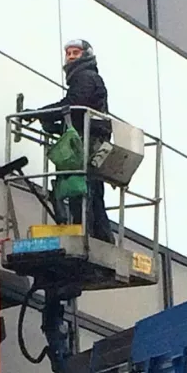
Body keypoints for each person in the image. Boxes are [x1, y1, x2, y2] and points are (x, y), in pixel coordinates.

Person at [36, 39, 115, 244]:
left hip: (89, 142)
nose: (70, 56)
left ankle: (85, 233)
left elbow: (73, 105)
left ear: (86, 55)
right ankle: (101, 237)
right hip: (90, 140)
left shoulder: (86, 77)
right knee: (91, 190)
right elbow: (74, 114)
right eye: (69, 53)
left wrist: (40, 113)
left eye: (75, 53)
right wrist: (51, 123)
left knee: (82, 188)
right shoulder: (86, 78)